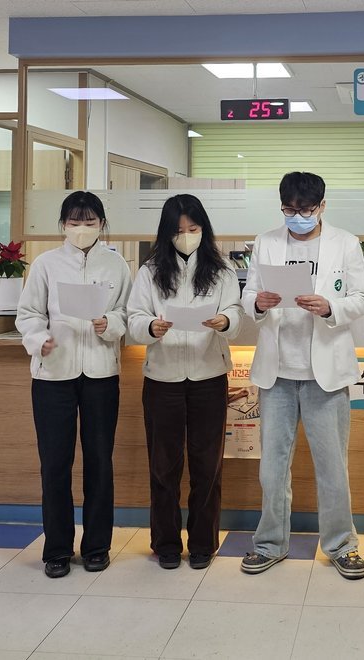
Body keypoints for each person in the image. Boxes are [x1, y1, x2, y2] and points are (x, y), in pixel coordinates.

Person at [240, 171, 364, 580]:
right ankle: (270, 544)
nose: (297, 217)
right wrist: (258, 303)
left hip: (325, 373)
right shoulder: (266, 241)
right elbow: (248, 296)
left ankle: (342, 545)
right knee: (272, 468)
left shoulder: (345, 243)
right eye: (289, 210)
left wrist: (330, 307)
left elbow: (361, 299)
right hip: (277, 372)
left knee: (332, 467)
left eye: (306, 210)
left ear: (322, 206)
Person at [16, 191, 131, 579]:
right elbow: (28, 314)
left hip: (101, 373)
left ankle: (97, 546)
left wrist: (109, 324)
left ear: (102, 225)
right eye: (74, 222)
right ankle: (57, 549)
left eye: (90, 222)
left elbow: (126, 313)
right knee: (55, 464)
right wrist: (39, 339)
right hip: (53, 374)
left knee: (99, 462)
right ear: (63, 225)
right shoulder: (46, 264)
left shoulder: (116, 265)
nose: (82, 229)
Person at [127, 194, 243, 570]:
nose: (188, 236)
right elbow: (134, 318)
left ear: (203, 229)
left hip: (209, 376)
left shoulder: (221, 270)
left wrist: (225, 321)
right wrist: (150, 327)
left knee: (207, 465)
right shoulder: (150, 271)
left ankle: (203, 543)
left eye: (194, 229)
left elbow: (235, 310)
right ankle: (165, 543)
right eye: (179, 231)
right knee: (164, 466)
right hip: (163, 378)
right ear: (167, 233)